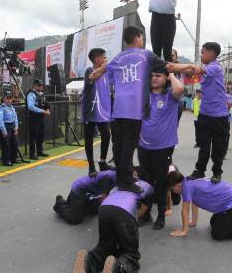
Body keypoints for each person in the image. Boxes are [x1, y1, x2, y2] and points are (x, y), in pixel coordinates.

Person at [104, 26, 194, 193]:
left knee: (118, 144)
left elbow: (110, 77)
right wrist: (192, 66)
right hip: (134, 108)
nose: (143, 41)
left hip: (118, 108)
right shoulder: (145, 54)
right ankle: (126, 180)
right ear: (138, 38)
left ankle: (121, 177)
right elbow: (171, 67)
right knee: (129, 146)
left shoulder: (117, 58)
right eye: (142, 38)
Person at [71, 179, 154, 273]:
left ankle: (88, 259)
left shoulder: (119, 183)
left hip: (105, 209)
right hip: (125, 211)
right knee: (130, 253)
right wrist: (133, 221)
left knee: (106, 246)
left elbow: (106, 198)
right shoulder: (148, 186)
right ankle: (117, 267)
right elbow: (143, 210)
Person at [136, 65, 184, 230]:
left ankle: (161, 216)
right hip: (143, 146)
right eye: (152, 76)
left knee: (161, 182)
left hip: (163, 148)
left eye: (158, 75)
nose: (154, 78)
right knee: (145, 181)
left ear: (165, 79)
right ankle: (146, 213)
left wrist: (170, 72)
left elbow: (180, 88)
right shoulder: (143, 95)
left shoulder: (170, 96)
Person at [167, 170, 232, 241]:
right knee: (213, 222)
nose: (172, 191)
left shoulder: (186, 187)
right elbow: (194, 203)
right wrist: (193, 222)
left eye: (172, 189)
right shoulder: (188, 181)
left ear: (176, 185)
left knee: (217, 234)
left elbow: (185, 209)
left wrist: (184, 231)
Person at [188, 42, 229, 183]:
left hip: (219, 116)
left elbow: (197, 70)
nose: (201, 55)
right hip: (204, 114)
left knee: (218, 146)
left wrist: (175, 66)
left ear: (211, 53)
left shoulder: (215, 68)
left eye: (203, 52)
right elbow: (192, 75)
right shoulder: (208, 69)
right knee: (203, 145)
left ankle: (217, 172)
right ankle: (199, 171)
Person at [81, 48, 113, 176]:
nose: (106, 60)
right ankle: (91, 166)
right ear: (96, 59)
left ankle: (102, 161)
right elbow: (92, 77)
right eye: (104, 57)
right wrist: (104, 67)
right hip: (91, 111)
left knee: (106, 135)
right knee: (89, 139)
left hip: (103, 112)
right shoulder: (90, 70)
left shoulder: (107, 73)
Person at [26, 79, 50, 159]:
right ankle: (32, 154)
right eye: (39, 85)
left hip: (41, 117)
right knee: (33, 136)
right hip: (33, 118)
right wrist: (43, 111)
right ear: (35, 85)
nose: (41, 87)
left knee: (40, 135)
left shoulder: (41, 94)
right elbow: (31, 106)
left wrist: (47, 110)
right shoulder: (31, 94)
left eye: (41, 85)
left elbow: (45, 104)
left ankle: (40, 151)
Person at [0, 91, 19, 166]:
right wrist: (3, 130)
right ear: (4, 99)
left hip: (12, 126)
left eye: (10, 98)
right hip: (6, 127)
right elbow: (0, 120)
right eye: (8, 98)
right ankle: (6, 161)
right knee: (6, 145)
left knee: (15, 143)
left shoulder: (12, 107)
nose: (9, 100)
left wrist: (16, 128)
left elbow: (15, 118)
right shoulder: (1, 108)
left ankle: (13, 159)